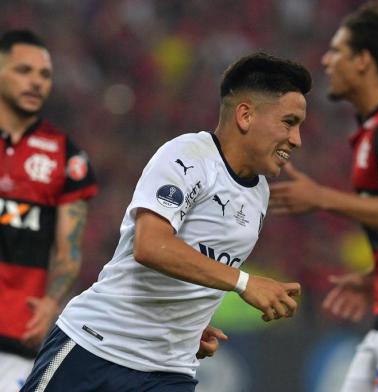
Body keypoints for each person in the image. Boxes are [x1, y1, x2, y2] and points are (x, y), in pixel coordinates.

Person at [21, 51, 311, 392]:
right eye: (289, 122)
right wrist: (245, 283)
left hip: (169, 371)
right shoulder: (187, 156)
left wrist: (188, 324)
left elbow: (202, 263)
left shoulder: (258, 192)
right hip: (97, 347)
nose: (296, 139)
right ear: (245, 115)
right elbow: (151, 246)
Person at [269, 2, 378, 391]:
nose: (325, 60)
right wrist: (377, 276)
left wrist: (321, 197)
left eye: (337, 50)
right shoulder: (372, 131)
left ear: (363, 61)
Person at [0, 30, 98, 391]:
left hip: (17, 336)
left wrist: (50, 302)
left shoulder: (66, 158)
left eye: (44, 75)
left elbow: (68, 249)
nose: (36, 82)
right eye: (24, 70)